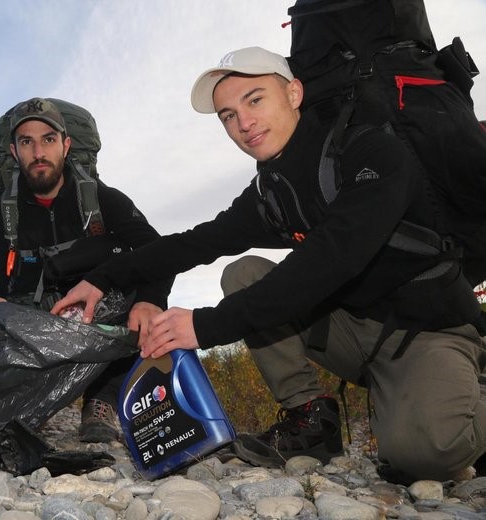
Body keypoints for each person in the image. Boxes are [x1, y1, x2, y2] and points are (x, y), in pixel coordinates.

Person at [51, 47, 486, 481]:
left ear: (294, 93)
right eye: (227, 115)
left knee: (423, 456)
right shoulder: (270, 192)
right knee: (243, 275)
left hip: (426, 331)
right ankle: (311, 420)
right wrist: (101, 279)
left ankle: (464, 394)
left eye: (255, 99)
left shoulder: (370, 150)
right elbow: (193, 243)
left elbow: (334, 257)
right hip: (352, 331)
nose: (243, 123)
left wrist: (205, 326)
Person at [0, 97, 173, 443]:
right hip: (34, 329)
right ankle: (29, 399)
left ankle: (101, 401)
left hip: (97, 322)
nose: (38, 152)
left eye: (48, 139)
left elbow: (161, 254)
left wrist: (151, 301)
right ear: (15, 153)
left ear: (66, 145)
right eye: (26, 142)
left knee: (145, 311)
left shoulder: (105, 201)